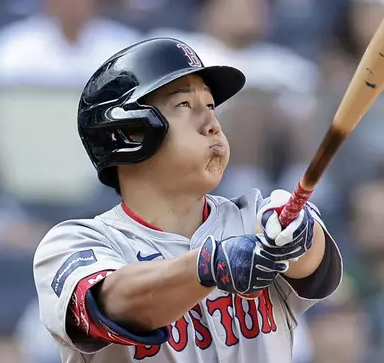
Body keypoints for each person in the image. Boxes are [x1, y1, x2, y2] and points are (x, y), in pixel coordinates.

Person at [32, 37, 342, 363]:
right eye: (184, 106)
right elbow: (113, 302)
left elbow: (313, 265)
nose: (212, 124)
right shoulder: (77, 243)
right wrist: (208, 266)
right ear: (128, 132)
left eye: (210, 106)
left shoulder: (254, 216)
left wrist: (298, 235)